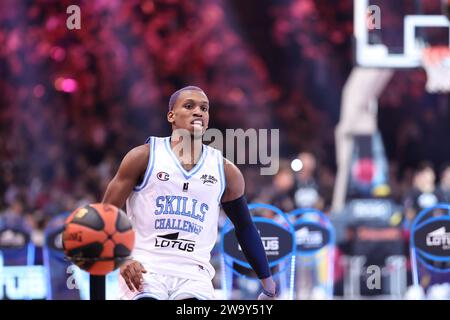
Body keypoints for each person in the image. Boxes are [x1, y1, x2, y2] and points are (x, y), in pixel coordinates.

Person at [102, 86, 276, 300]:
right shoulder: (143, 157)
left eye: (204, 108)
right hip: (145, 268)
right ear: (171, 115)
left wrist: (268, 285)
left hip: (195, 275)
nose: (198, 112)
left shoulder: (226, 171)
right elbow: (105, 214)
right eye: (189, 106)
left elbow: (246, 228)